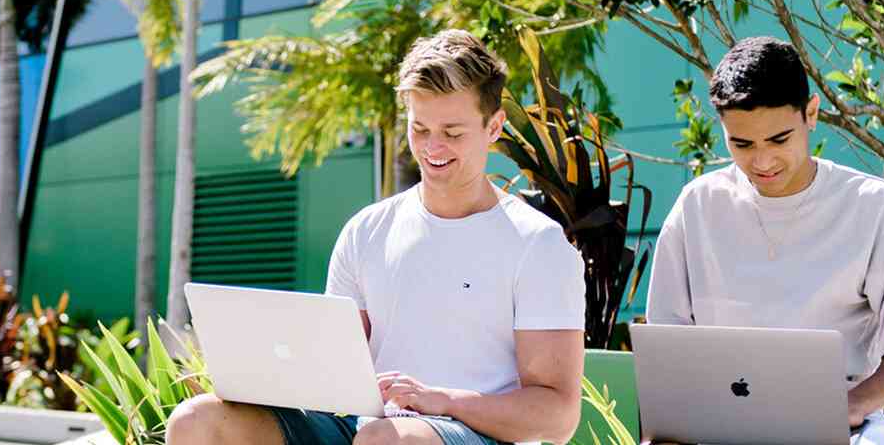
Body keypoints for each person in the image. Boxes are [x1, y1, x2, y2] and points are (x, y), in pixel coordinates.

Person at [166, 29, 587, 445]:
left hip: (473, 433)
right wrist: (259, 380)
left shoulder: (537, 245)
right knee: (196, 421)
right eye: (419, 128)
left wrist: (444, 400)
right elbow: (332, 368)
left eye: (453, 132)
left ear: (494, 127)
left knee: (387, 440)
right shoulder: (366, 231)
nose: (432, 147)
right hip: (367, 427)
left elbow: (558, 416)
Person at [645, 36, 884, 445]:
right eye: (742, 144)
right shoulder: (697, 206)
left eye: (779, 140)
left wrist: (851, 407)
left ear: (811, 114)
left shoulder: (875, 207)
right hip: (717, 424)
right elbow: (666, 349)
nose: (762, 162)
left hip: (842, 425)